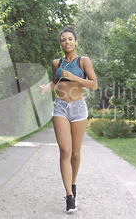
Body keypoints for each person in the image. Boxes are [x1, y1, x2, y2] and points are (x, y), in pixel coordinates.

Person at [39, 26, 98, 213]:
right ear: (61, 43)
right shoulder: (56, 63)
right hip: (61, 108)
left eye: (70, 39)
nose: (67, 42)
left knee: (75, 153)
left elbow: (94, 85)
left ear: (75, 42)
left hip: (79, 108)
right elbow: (56, 84)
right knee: (65, 151)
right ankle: (69, 196)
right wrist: (46, 88)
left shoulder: (83, 61)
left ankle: (73, 183)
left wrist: (74, 77)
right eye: (63, 39)